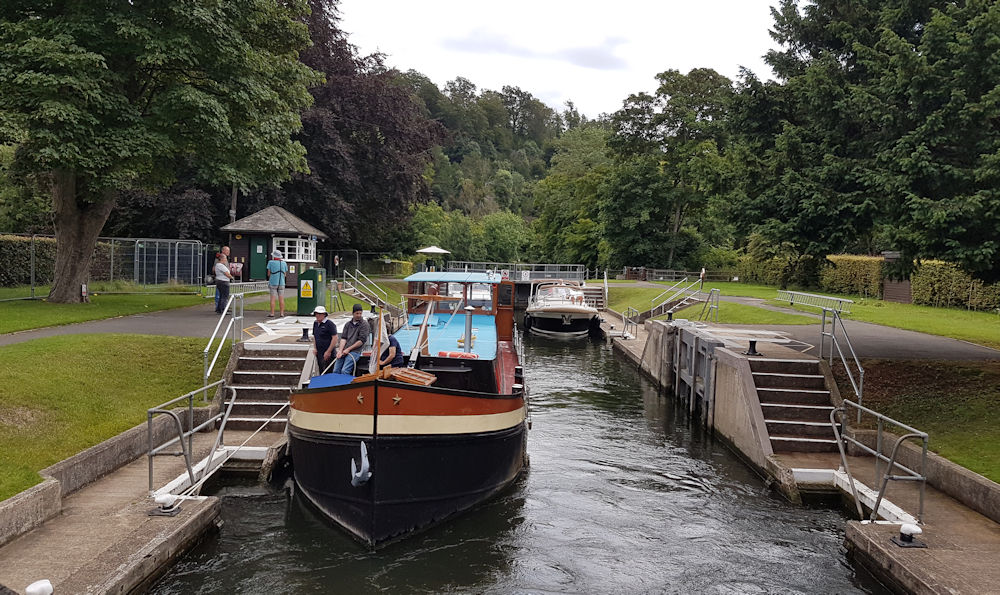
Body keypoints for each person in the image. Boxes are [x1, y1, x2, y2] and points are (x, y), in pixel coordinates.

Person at [333, 303, 370, 375]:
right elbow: (343, 338)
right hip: (344, 350)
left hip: (355, 351)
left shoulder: (364, 325)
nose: (359, 315)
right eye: (357, 313)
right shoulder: (347, 324)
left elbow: (361, 341)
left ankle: (345, 381)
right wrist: (340, 351)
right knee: (335, 370)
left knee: (344, 371)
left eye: (360, 313)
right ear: (353, 313)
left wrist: (348, 349)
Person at [312, 306, 338, 373]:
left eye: (319, 314)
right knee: (321, 370)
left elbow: (335, 338)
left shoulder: (330, 324)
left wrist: (328, 351)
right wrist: (315, 348)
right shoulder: (315, 323)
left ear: (324, 314)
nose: (317, 316)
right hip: (319, 352)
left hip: (328, 353)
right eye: (316, 314)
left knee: (328, 371)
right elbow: (315, 336)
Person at [266, 249, 289, 317]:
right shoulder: (284, 263)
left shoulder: (270, 262)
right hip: (281, 283)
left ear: (274, 256)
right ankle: (282, 313)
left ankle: (272, 313)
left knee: (272, 298)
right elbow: (285, 274)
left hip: (273, 282)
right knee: (281, 298)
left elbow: (268, 274)